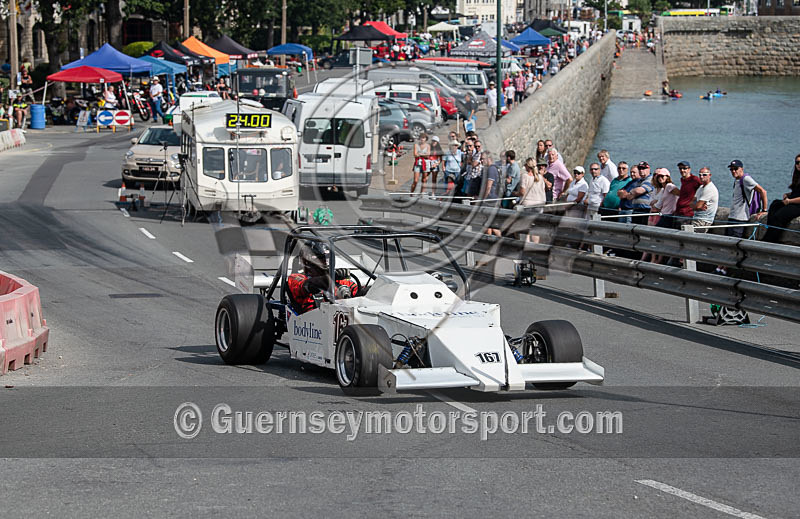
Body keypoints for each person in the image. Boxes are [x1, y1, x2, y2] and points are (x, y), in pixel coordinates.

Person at [287, 242, 358, 313]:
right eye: (321, 258)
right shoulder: (296, 278)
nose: (326, 262)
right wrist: (332, 277)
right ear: (308, 261)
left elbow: (358, 291)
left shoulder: (339, 281)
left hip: (336, 320)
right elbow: (309, 285)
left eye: (328, 257)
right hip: (309, 320)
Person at [762, 154, 800, 243]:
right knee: (775, 204)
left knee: (780, 216)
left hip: (798, 205)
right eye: (797, 162)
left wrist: (790, 201)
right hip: (793, 201)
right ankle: (770, 230)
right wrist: (788, 195)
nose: (798, 164)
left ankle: (770, 240)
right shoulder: (797, 177)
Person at [727, 159, 767, 238]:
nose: (733, 171)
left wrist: (764, 210)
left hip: (740, 219)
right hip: (733, 216)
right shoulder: (737, 180)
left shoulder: (746, 179)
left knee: (734, 243)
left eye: (735, 169)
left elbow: (763, 191)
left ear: (741, 169)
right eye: (731, 169)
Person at [518, 158, 547, 243]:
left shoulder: (525, 176)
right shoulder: (540, 177)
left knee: (526, 227)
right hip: (539, 204)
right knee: (535, 228)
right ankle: (535, 246)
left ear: (527, 166)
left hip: (528, 204)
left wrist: (516, 193)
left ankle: (525, 244)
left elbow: (522, 192)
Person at [671, 160, 702, 230]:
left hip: (686, 213)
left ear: (689, 169)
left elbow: (703, 188)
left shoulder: (695, 180)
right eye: (680, 168)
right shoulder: (683, 180)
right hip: (678, 212)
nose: (682, 170)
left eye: (684, 168)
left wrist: (698, 202)